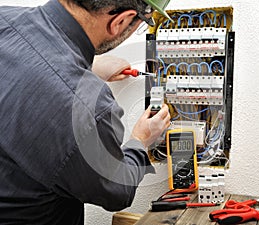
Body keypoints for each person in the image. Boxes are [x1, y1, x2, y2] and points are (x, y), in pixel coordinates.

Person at [0, 0, 172, 224]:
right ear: (119, 21)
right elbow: (117, 190)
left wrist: (88, 67)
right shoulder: (89, 109)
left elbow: (31, 67)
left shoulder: (5, 17)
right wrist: (140, 140)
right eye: (140, 24)